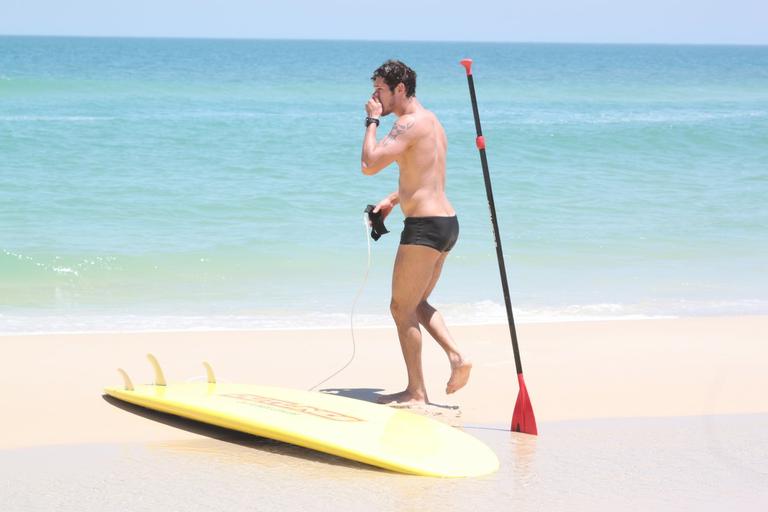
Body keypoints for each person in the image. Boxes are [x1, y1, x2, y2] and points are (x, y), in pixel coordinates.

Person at [360, 59, 472, 406]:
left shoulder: (406, 124)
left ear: (400, 90)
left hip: (424, 228)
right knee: (415, 303)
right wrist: (395, 199)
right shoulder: (431, 121)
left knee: (400, 307)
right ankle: (456, 357)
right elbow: (425, 174)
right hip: (446, 223)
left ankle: (416, 391)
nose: (375, 97)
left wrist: (371, 122)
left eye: (380, 90)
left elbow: (369, 164)